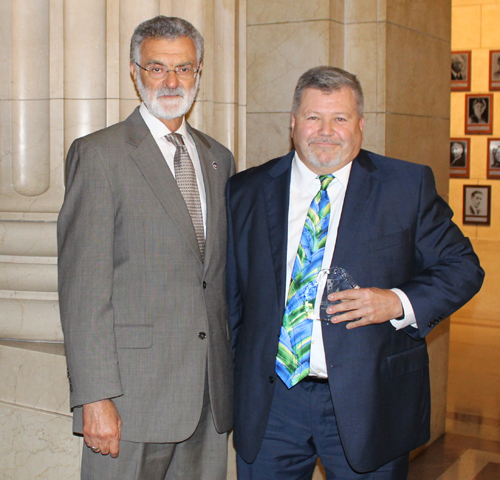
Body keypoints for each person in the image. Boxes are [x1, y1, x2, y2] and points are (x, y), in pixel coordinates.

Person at [226, 66, 484, 479]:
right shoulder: (246, 191)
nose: (325, 130)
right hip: (273, 406)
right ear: (293, 123)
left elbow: (463, 268)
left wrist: (397, 302)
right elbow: (233, 299)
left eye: (340, 118)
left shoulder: (405, 186)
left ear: (360, 125)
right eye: (313, 117)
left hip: (370, 403)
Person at [58, 15, 235, 480]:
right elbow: (83, 290)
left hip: (208, 399)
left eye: (184, 68)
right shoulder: (99, 154)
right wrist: (94, 398)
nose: (172, 81)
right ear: (134, 73)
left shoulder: (219, 158)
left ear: (199, 72)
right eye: (157, 68)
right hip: (130, 402)